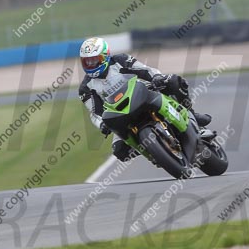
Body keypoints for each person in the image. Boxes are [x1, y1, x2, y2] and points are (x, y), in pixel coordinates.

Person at [78, 37, 212, 162]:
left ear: (105, 56)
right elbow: (94, 112)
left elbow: (144, 69)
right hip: (121, 114)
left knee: (174, 82)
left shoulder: (120, 60)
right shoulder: (85, 88)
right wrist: (102, 124)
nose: (91, 64)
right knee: (120, 151)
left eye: (95, 60)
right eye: (87, 61)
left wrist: (156, 77)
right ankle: (153, 151)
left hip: (143, 93)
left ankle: (192, 115)